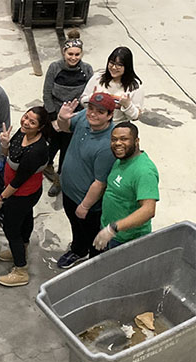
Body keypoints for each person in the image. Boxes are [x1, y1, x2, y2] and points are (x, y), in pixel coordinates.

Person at [0, 107, 50, 286]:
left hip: (22, 193)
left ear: (40, 127)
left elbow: (18, 181)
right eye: (26, 117)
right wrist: (5, 144)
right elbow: (11, 157)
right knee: (25, 219)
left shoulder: (36, 150)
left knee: (11, 228)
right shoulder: (21, 133)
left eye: (32, 122)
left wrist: (1, 199)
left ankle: (21, 269)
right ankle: (22, 248)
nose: (26, 122)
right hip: (21, 191)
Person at [55, 93, 117, 269]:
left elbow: (100, 182)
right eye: (91, 108)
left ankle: (93, 265)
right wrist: (62, 118)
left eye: (100, 111)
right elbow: (65, 128)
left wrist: (85, 206)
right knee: (76, 227)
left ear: (110, 115)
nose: (93, 114)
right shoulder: (83, 117)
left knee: (93, 237)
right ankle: (78, 250)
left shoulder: (107, 145)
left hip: (86, 202)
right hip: (69, 191)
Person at [42, 30, 93, 197]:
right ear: (64, 53)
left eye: (77, 54)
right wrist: (53, 119)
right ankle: (47, 165)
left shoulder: (86, 70)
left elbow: (88, 94)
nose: (73, 57)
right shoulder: (55, 68)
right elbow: (47, 92)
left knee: (67, 150)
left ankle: (60, 180)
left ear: (81, 54)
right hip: (54, 114)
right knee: (50, 145)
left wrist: (78, 117)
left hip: (74, 118)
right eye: (70, 53)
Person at [93, 122, 159, 250]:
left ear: (136, 141)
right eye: (114, 139)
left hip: (126, 239)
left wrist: (114, 228)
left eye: (124, 139)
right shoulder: (122, 159)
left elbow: (148, 210)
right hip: (108, 231)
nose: (118, 143)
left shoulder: (144, 171)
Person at [80, 46, 143, 123]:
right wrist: (92, 97)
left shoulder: (135, 87)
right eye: (111, 63)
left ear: (127, 67)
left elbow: (135, 116)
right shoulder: (97, 78)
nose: (113, 67)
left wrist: (127, 105)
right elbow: (82, 102)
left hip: (118, 128)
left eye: (119, 65)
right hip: (94, 125)